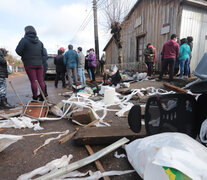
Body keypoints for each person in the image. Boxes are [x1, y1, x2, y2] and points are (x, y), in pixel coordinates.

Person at [16, 25, 46, 101]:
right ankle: (43, 97)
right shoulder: (40, 42)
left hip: (29, 64)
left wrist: (25, 55)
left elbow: (18, 51)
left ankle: (35, 98)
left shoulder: (24, 40)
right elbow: (43, 53)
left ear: (26, 31)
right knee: (41, 81)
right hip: (39, 64)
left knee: (33, 81)